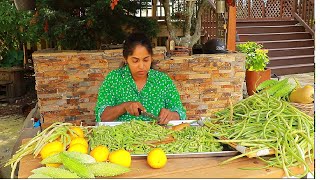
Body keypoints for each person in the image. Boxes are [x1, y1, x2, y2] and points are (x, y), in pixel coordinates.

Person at [95, 32, 186, 124]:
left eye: (146, 60)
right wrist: (124, 107)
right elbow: (101, 116)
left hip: (159, 137)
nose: (141, 66)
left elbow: (180, 113)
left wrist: (172, 115)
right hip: (122, 137)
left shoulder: (162, 81)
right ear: (126, 59)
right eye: (135, 61)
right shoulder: (114, 79)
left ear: (151, 58)